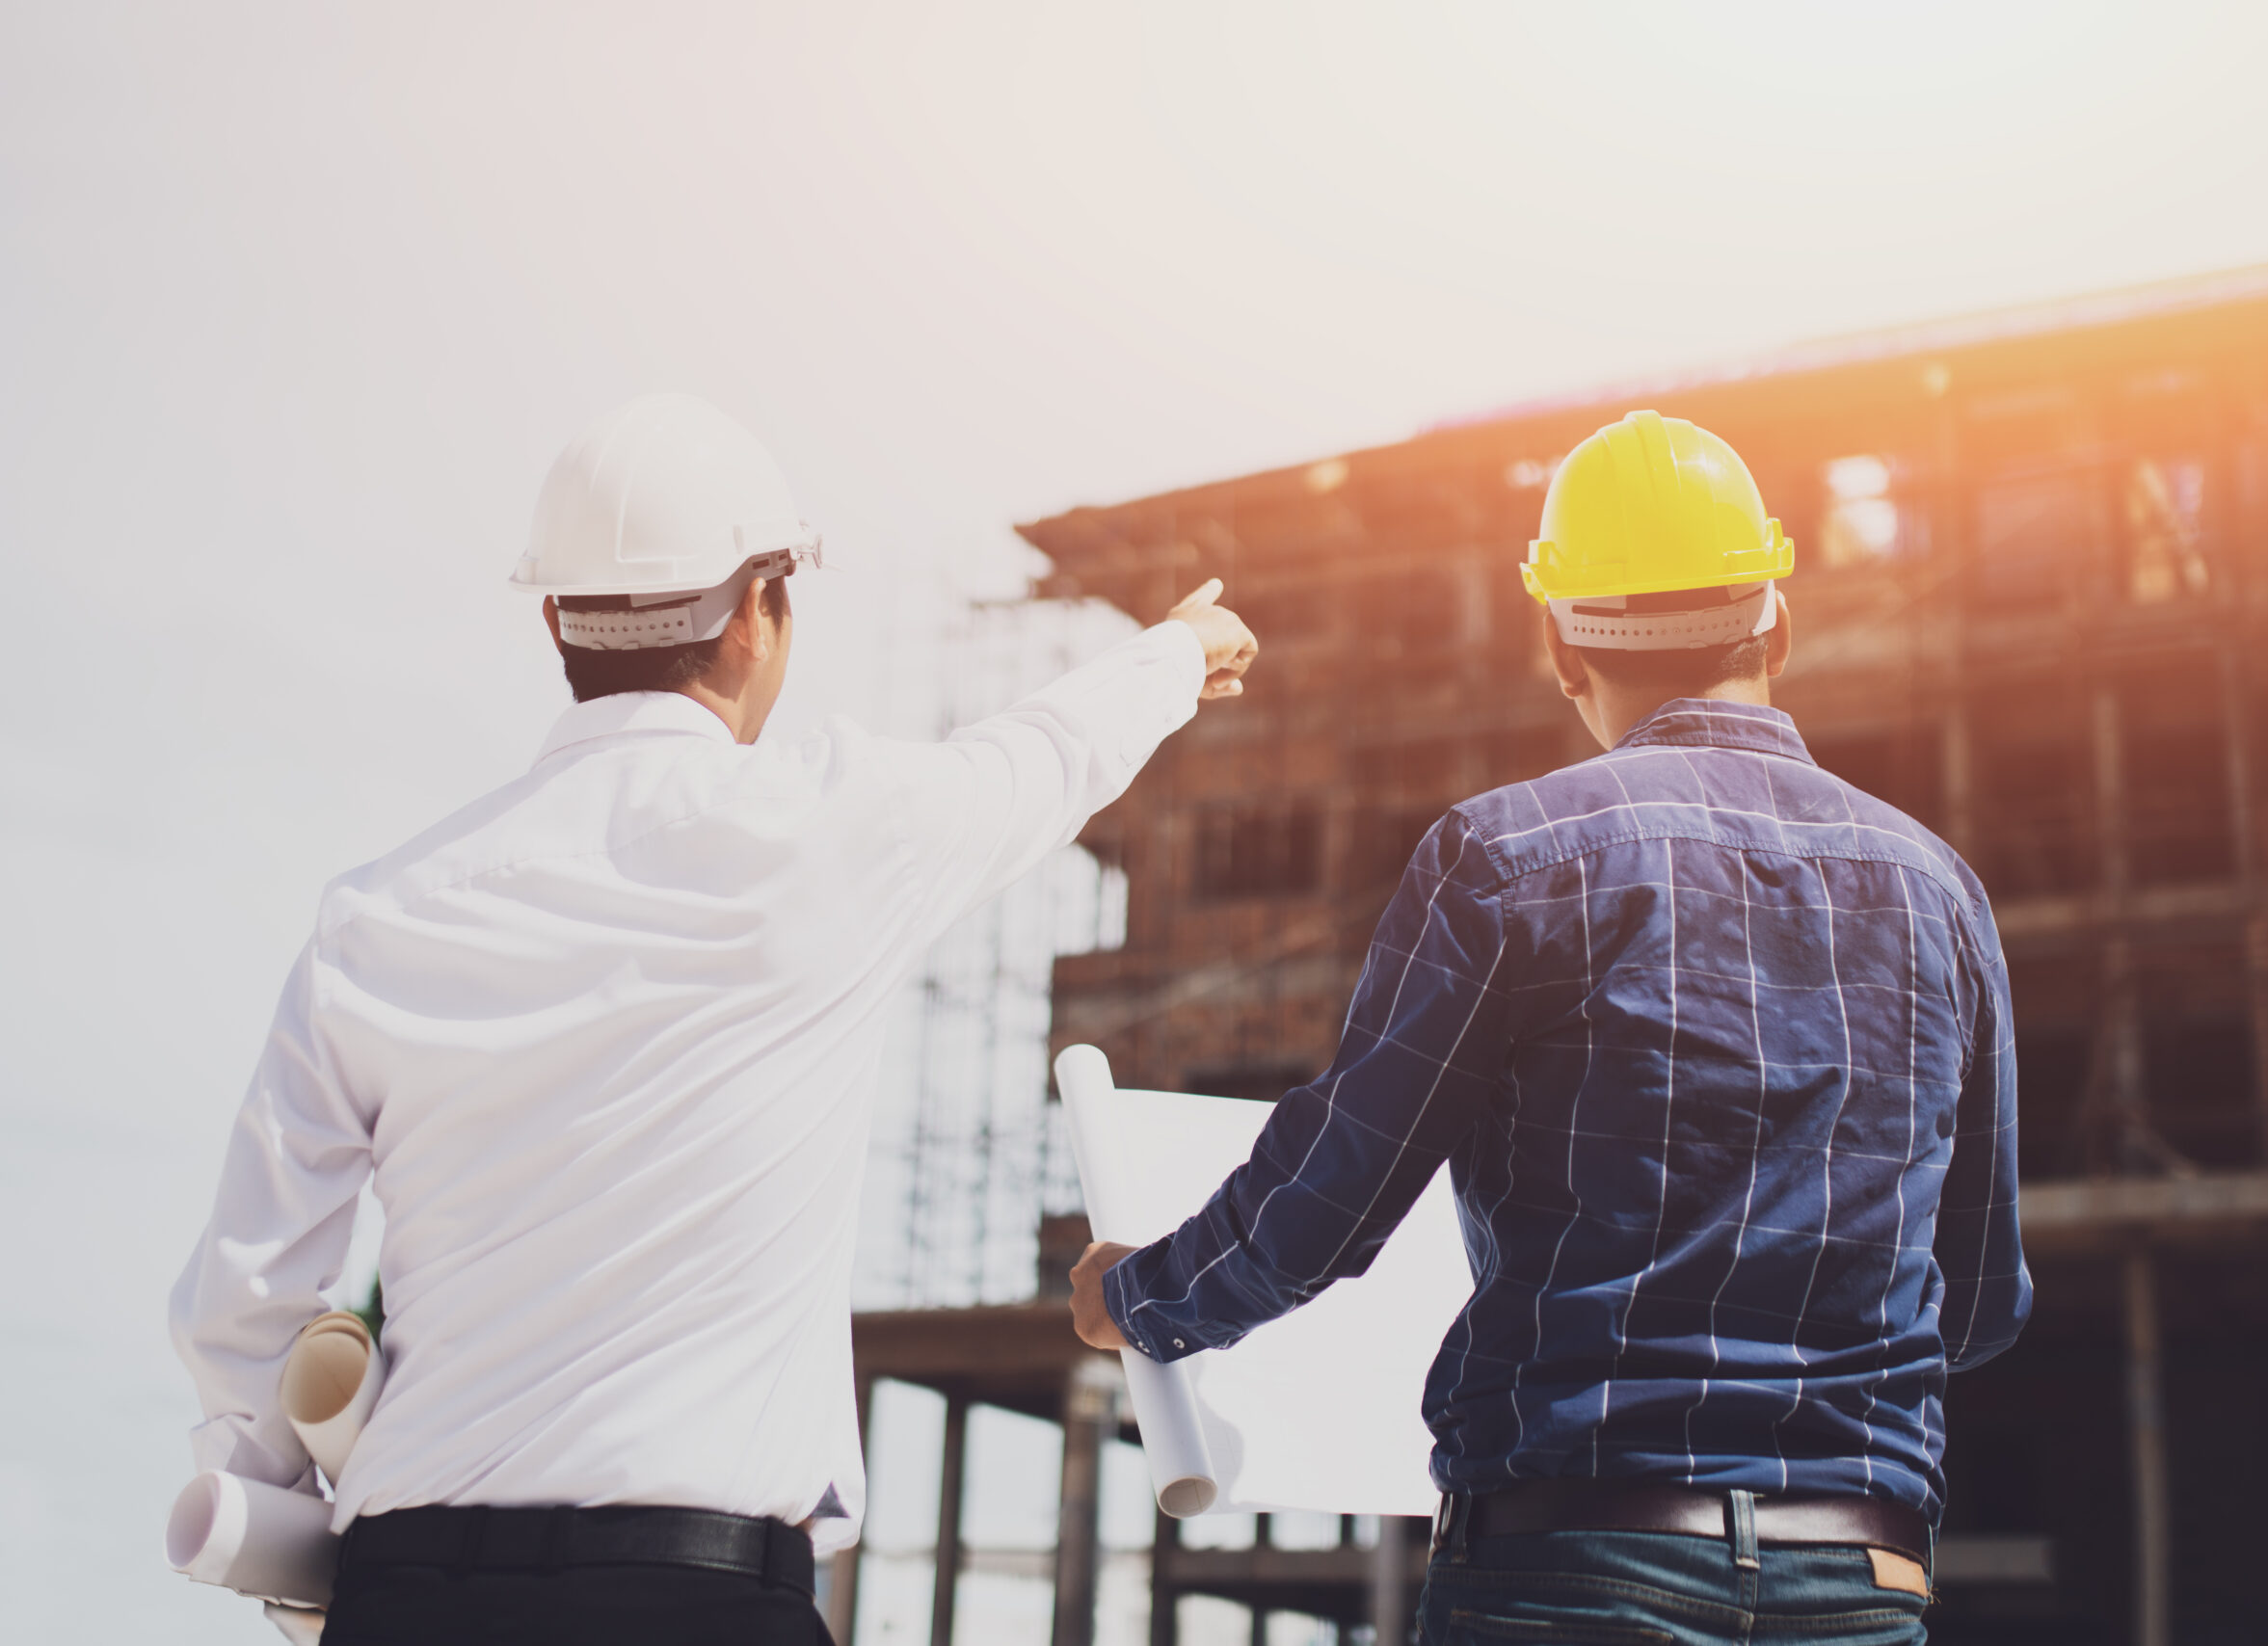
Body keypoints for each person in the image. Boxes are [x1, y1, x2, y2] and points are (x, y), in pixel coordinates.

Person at [169, 392, 1258, 1645]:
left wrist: (287, 1535)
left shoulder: (376, 916)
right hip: (697, 1599)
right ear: (758, 613)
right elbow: (1041, 756)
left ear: (553, 619)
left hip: (415, 1594)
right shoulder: (832, 834)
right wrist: (1179, 650)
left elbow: (246, 1299)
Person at [1072, 411, 2027, 1645]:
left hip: (1572, 1565)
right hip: (1858, 1581)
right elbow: (1977, 1303)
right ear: (1776, 620)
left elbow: (1330, 1200)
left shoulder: (1506, 858)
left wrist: (1139, 1299)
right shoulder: (1939, 890)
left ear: (1559, 644)